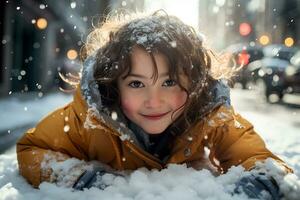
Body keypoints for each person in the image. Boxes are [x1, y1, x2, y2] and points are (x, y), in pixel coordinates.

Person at [17, 10, 292, 199]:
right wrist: (80, 178)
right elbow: (33, 148)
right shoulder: (87, 120)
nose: (154, 101)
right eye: (136, 84)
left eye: (169, 82)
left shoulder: (210, 116)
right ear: (114, 84)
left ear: (194, 83)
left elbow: (258, 158)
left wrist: (259, 183)